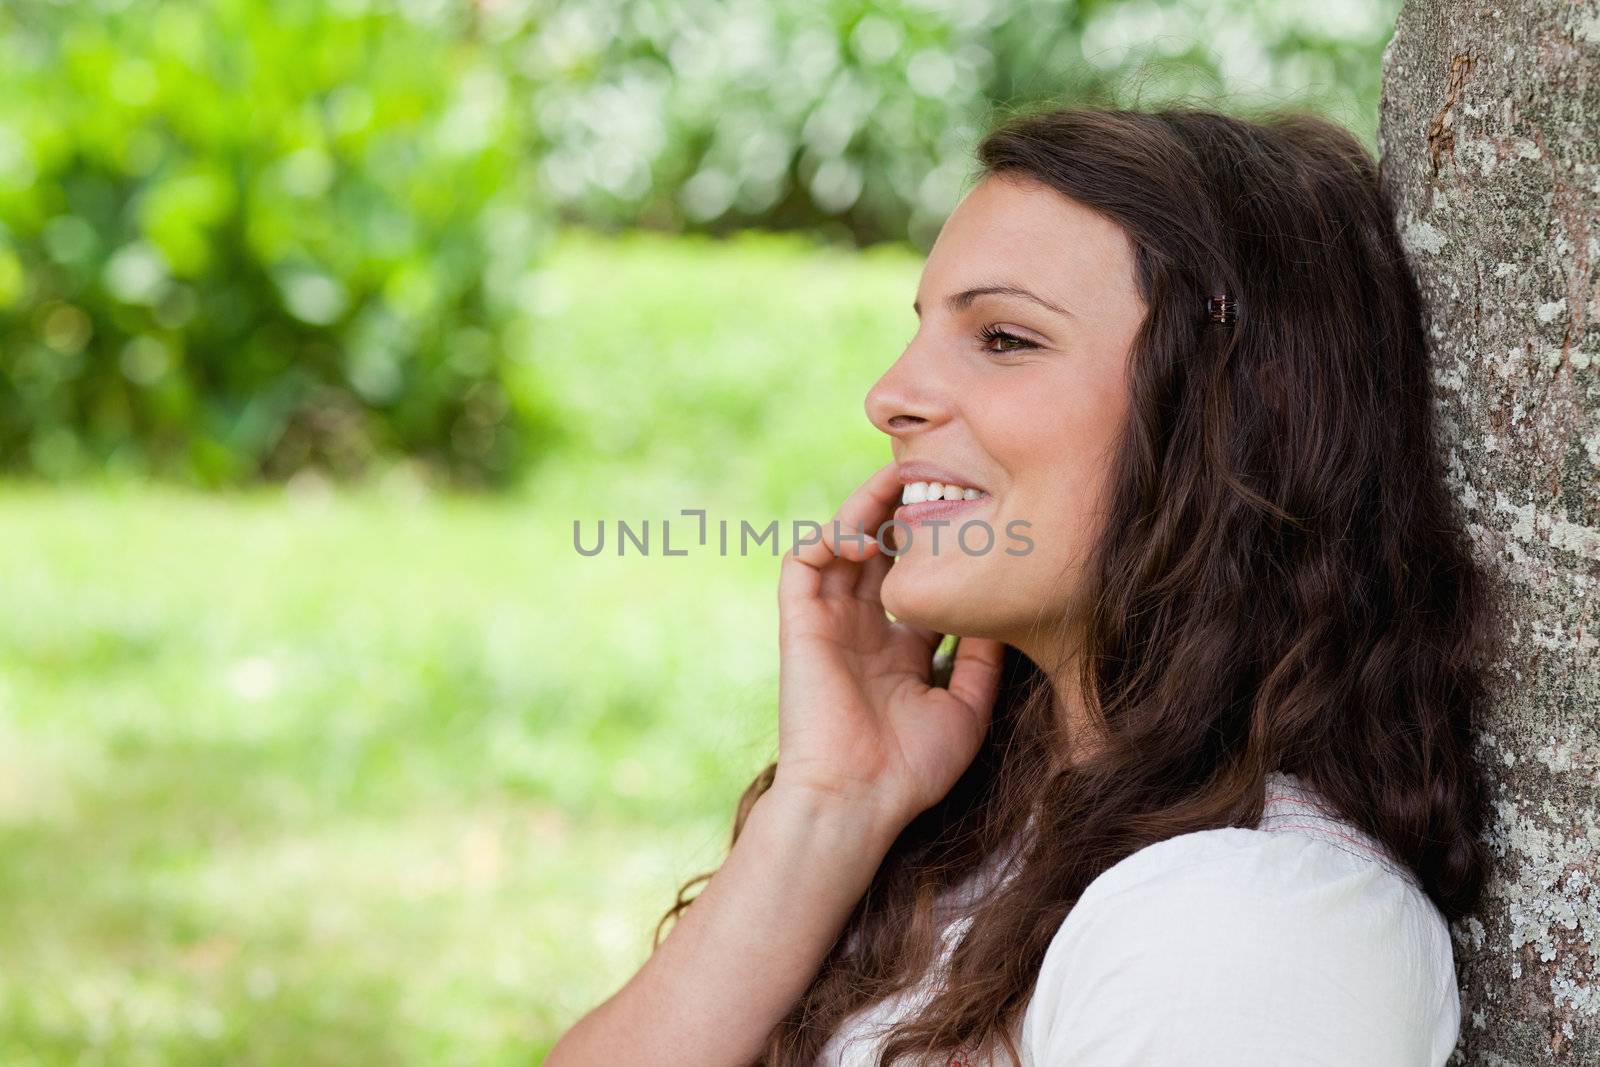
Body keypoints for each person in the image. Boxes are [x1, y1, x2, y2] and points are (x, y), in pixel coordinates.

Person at [545, 104, 1500, 1067]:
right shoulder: (993, 825)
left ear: (1235, 414)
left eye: (1003, 338)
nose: (890, 395)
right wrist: (832, 802)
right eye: (921, 330)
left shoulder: (1251, 929)